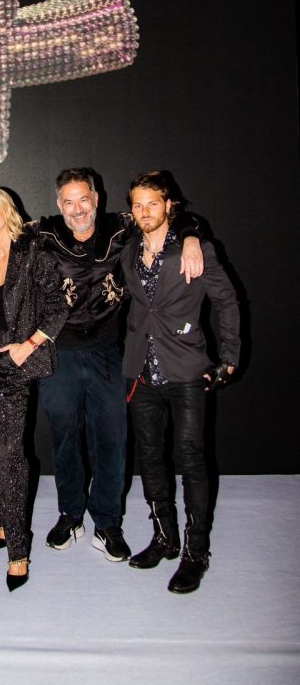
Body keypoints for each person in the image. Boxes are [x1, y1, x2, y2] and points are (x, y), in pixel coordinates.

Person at [0, 168, 204, 563]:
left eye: (83, 200)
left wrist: (191, 238)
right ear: (59, 204)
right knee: (65, 437)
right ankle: (70, 515)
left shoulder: (122, 227)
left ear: (96, 199)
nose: (77, 209)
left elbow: (174, 216)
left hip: (109, 350)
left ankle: (108, 524)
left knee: (112, 437)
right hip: (61, 350)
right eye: (69, 201)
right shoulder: (44, 233)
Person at [121, 171, 240, 594]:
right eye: (138, 205)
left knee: (190, 459)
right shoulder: (128, 250)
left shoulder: (194, 247)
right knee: (150, 457)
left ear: (169, 205)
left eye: (152, 203)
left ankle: (196, 552)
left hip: (186, 368)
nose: (144, 211)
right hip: (141, 371)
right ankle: (165, 538)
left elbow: (226, 300)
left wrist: (229, 357)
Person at [0, 188, 68, 590]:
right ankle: (5, 518)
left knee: (12, 455)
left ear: (8, 211)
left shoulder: (34, 254)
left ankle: (18, 552)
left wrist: (30, 344)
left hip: (13, 365)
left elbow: (58, 306)